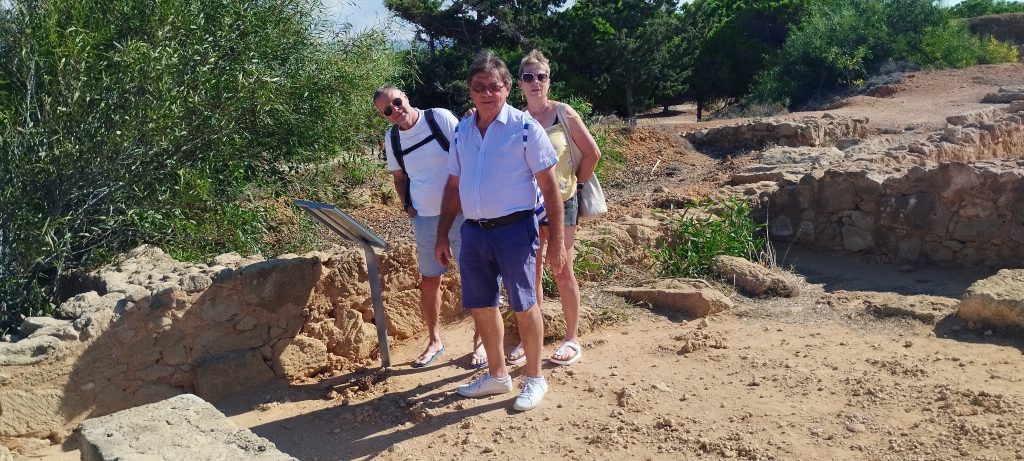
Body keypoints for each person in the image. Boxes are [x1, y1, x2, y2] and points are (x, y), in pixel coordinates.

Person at [435, 50, 566, 411]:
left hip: (515, 230)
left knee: (525, 304)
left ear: (508, 88)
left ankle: (535, 378)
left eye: (494, 86)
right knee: (481, 305)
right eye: (479, 87)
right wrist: (442, 234)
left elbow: (550, 187)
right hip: (474, 232)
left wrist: (556, 241)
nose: (486, 93)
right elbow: (452, 187)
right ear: (470, 90)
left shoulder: (525, 129)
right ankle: (497, 375)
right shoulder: (462, 131)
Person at [505, 49, 601, 367]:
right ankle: (531, 338)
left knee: (562, 269)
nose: (535, 82)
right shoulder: (516, 119)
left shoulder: (563, 114)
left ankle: (572, 339)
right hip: (527, 205)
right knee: (530, 272)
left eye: (541, 76)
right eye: (529, 77)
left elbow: (592, 153)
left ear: (549, 81)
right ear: (520, 83)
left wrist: (577, 185)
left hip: (562, 201)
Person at [374, 85, 465, 368]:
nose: (395, 110)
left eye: (396, 102)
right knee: (430, 280)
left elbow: (467, 155)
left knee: (474, 275)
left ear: (405, 96)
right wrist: (408, 207)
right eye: (387, 110)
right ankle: (434, 340)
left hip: (460, 212)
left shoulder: (439, 118)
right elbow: (399, 178)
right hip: (425, 218)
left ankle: (481, 341)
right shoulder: (392, 138)